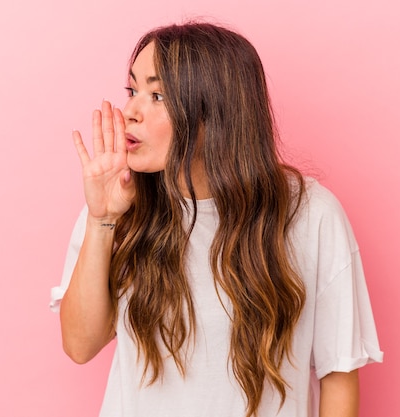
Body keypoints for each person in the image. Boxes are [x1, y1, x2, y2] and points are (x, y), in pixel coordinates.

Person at [50, 21, 383, 417]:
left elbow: (339, 375)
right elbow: (79, 344)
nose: (131, 112)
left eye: (158, 95)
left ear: (214, 113)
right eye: (133, 90)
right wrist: (101, 219)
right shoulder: (116, 203)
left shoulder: (310, 215)